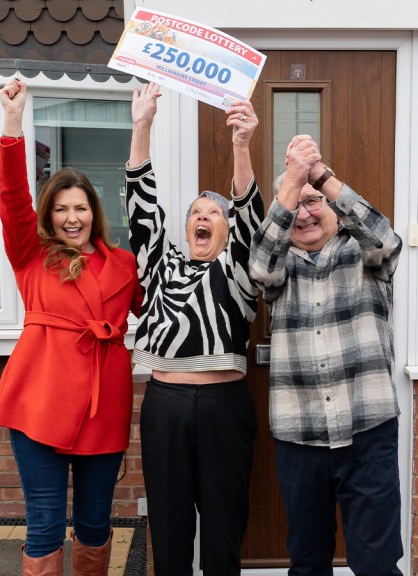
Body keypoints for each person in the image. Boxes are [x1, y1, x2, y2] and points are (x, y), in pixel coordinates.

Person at [0, 78, 143, 576]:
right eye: (61, 209)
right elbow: (12, 200)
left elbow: (164, 310)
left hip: (104, 404)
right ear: (49, 216)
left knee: (96, 523)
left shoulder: (123, 263)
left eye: (80, 208)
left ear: (93, 212)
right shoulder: (31, 256)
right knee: (45, 523)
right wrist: (13, 123)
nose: (72, 217)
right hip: (40, 403)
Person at [248, 135, 405, 576]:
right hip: (301, 437)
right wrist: (292, 182)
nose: (304, 213)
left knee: (375, 563)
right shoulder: (278, 269)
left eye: (313, 202)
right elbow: (258, 265)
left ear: (332, 206)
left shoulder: (365, 256)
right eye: (294, 205)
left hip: (367, 433)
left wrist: (320, 178)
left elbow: (386, 237)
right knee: (308, 562)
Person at [127, 82, 263, 576]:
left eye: (214, 213)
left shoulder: (240, 270)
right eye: (195, 214)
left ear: (225, 230)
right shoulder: (162, 267)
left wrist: (241, 146)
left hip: (225, 408)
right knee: (168, 530)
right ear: (186, 229)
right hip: (165, 407)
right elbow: (143, 215)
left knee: (223, 534)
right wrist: (142, 126)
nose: (203, 217)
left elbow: (251, 221)